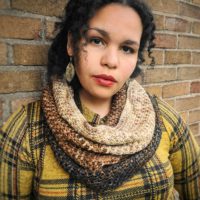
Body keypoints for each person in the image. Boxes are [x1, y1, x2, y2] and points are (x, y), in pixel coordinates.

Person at [0, 0, 199, 199]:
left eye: (127, 48)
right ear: (71, 44)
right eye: (97, 40)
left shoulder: (162, 119)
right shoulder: (27, 128)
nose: (111, 61)